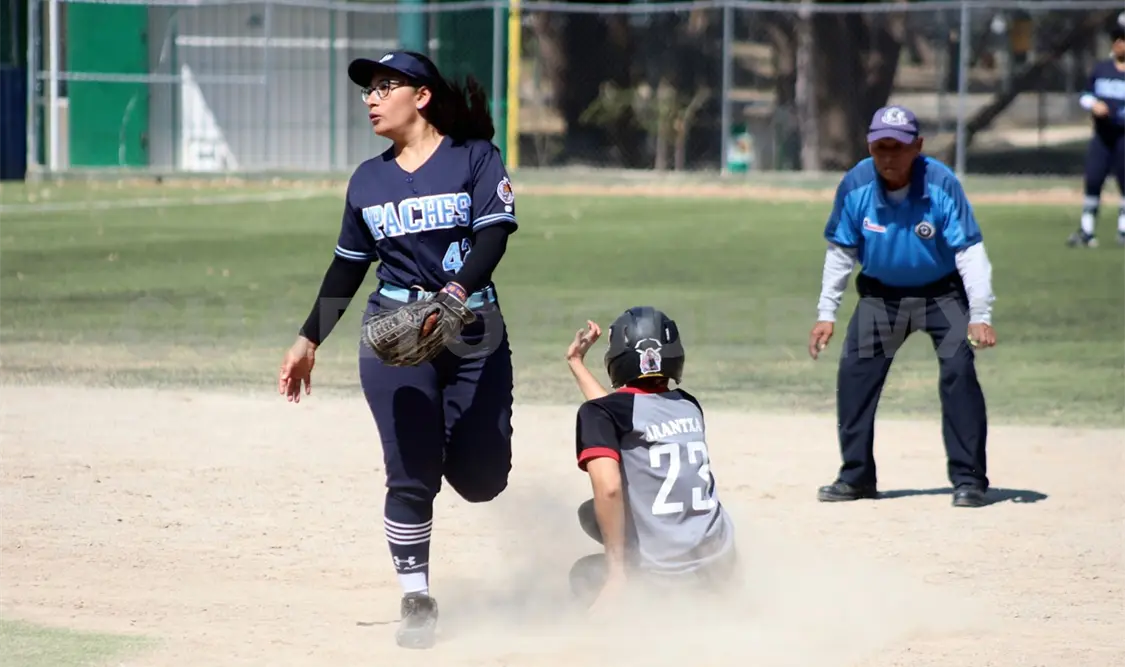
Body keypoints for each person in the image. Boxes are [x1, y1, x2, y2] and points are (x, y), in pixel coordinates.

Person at [276, 50, 518, 649]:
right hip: (395, 330)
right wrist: (309, 337)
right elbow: (347, 267)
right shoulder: (368, 180)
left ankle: (442, 452)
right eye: (368, 90)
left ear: (422, 96)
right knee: (410, 472)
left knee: (483, 478)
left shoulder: (474, 157)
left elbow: (493, 236)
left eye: (386, 87)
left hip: (473, 328)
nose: (372, 99)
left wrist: (455, 292)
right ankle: (416, 597)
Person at [808, 105, 997, 509]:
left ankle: (969, 480)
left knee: (959, 373)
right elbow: (841, 252)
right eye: (881, 147)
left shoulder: (941, 184)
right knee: (854, 376)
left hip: (943, 294)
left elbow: (969, 251)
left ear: (918, 146)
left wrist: (980, 315)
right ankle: (856, 476)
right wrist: (826, 313)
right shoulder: (856, 184)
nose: (888, 157)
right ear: (869, 147)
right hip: (881, 298)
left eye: (898, 147)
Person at [562, 308, 738, 613]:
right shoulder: (688, 404)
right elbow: (622, 412)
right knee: (591, 514)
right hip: (721, 561)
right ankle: (720, 595)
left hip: (667, 576)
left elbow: (610, 489)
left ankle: (647, 602)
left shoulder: (600, 414)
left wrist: (616, 577)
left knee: (585, 571)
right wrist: (576, 363)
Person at [1068, 15, 1125, 248]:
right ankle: (1087, 230)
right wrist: (1093, 104)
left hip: (1124, 137)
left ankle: (1123, 230)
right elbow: (1085, 95)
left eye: (1123, 39)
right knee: (1093, 180)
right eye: (1116, 38)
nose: (1119, 43)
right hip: (1102, 136)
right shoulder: (1102, 68)